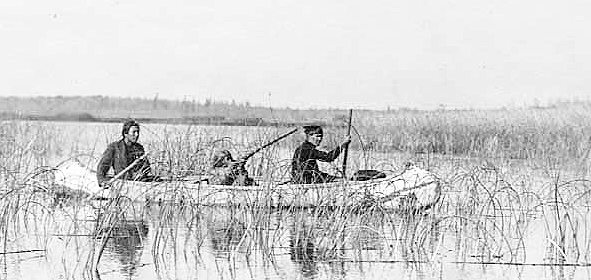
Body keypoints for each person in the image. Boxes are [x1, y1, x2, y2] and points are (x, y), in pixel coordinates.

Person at [96, 120, 152, 187]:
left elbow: (146, 167)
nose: (137, 135)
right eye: (134, 132)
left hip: (138, 183)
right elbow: (103, 166)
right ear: (125, 133)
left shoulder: (139, 148)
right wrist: (102, 181)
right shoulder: (115, 147)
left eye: (138, 132)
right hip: (122, 183)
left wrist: (141, 173)